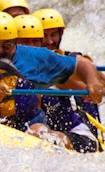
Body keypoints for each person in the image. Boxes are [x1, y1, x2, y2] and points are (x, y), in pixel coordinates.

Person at [0, 12, 105, 148]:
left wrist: (93, 82)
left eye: (6, 45)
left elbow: (82, 64)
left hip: (29, 128)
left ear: (15, 42)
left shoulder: (34, 57)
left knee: (39, 132)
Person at [32, 8, 105, 150]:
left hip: (83, 136)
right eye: (44, 36)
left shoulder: (77, 63)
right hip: (54, 133)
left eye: (53, 35)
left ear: (61, 34)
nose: (49, 41)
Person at [12, 12, 99, 153]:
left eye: (35, 41)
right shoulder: (2, 69)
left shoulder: (52, 66)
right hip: (36, 134)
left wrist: (92, 85)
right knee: (36, 130)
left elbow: (84, 81)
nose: (31, 47)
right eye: (25, 42)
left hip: (77, 136)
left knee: (38, 131)